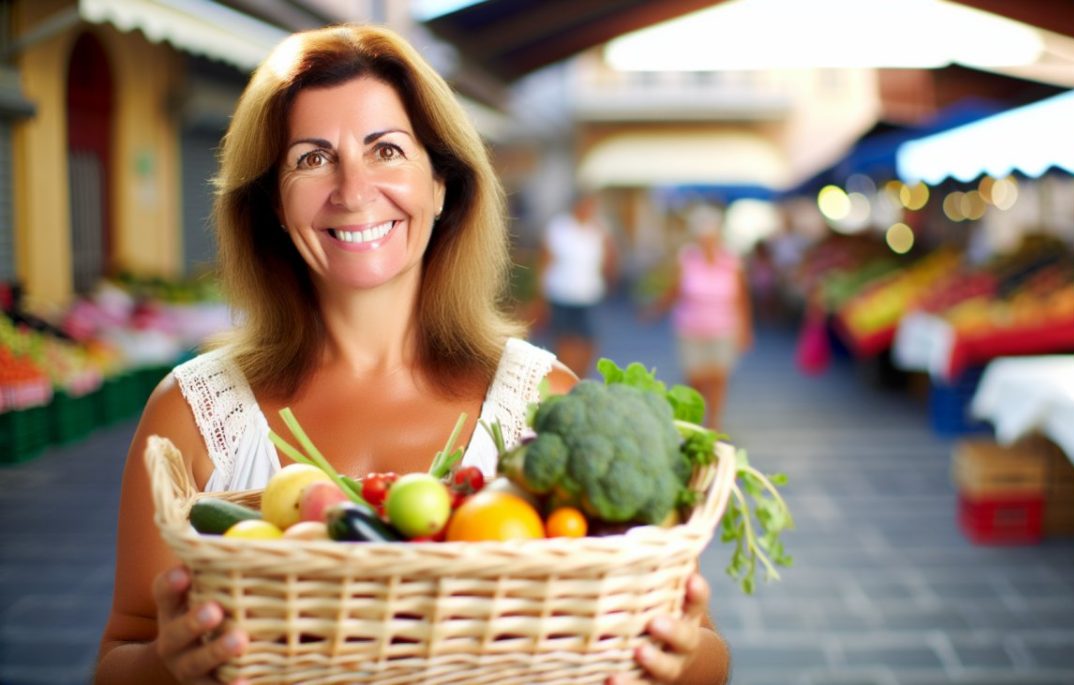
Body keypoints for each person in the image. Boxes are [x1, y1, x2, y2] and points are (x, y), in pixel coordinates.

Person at [93, 24, 728, 685]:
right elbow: (118, 657)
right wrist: (169, 663)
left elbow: (707, 656)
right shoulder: (191, 414)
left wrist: (677, 656)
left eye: (386, 149)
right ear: (274, 205)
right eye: (312, 159)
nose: (353, 189)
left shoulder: (545, 400)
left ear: (442, 184)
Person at [651, 204, 753, 432]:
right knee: (695, 378)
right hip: (691, 327)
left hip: (723, 327)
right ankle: (695, 423)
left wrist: (745, 329)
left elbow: (741, 298)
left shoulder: (731, 260)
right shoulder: (687, 258)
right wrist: (656, 309)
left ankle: (714, 423)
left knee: (718, 378)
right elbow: (675, 289)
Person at [535, 191, 618, 377]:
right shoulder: (559, 228)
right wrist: (541, 295)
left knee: (589, 341)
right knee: (565, 341)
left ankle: (579, 377)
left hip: (589, 293)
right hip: (562, 292)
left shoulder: (598, 229)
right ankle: (565, 377)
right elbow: (545, 261)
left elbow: (609, 259)